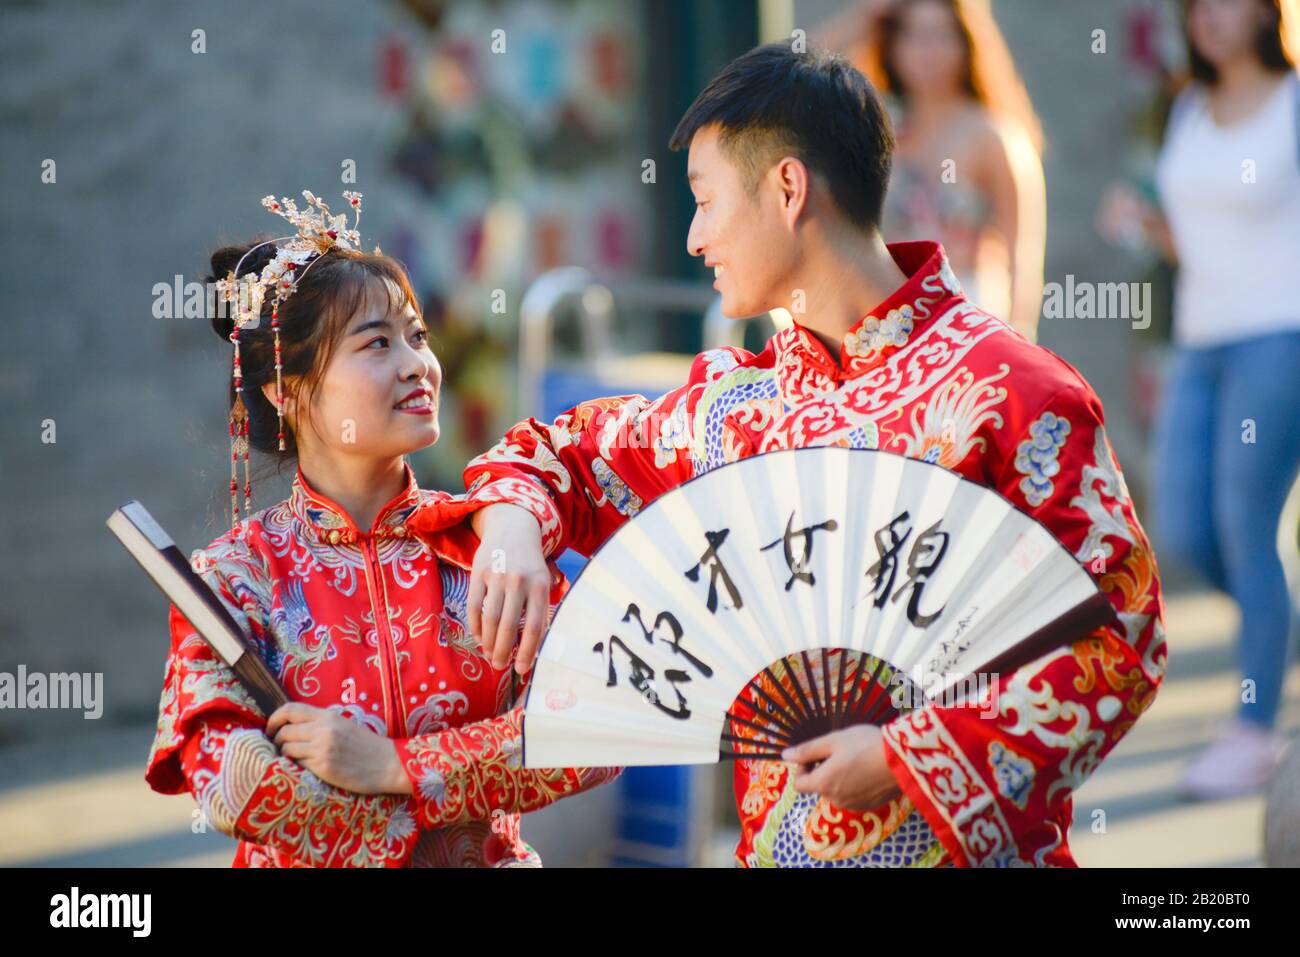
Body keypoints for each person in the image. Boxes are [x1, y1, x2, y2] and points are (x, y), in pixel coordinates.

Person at [464, 45, 1165, 867]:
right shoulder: (737, 409)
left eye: (705, 200)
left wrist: (910, 753)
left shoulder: (1009, 393)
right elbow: (553, 453)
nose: (692, 237)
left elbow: (1121, 636)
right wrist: (512, 527)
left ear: (788, 189)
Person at [144, 191, 619, 868]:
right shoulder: (235, 573)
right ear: (287, 389)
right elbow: (229, 779)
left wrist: (396, 764)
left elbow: (596, 729)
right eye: (377, 342)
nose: (417, 365)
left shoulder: (487, 548)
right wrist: (425, 814)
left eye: (418, 337)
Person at [1101, 0, 1300, 799]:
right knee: (1182, 527)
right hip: (1200, 338)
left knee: (1244, 521)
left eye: (1230, 1)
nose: (1212, 17)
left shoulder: (1292, 103)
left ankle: (1254, 730)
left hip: (1280, 335)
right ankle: (1276, 622)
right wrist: (1146, 223)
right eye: (1199, 5)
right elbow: (1204, 238)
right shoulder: (1185, 103)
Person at [815, 0, 1046, 341]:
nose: (928, 50)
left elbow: (1021, 258)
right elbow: (802, 79)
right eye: (913, 35)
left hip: (963, 322)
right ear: (892, 42)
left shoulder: (993, 135)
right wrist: (866, 16)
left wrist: (1019, 344)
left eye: (941, 35)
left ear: (966, 41)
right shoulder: (880, 123)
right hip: (883, 320)